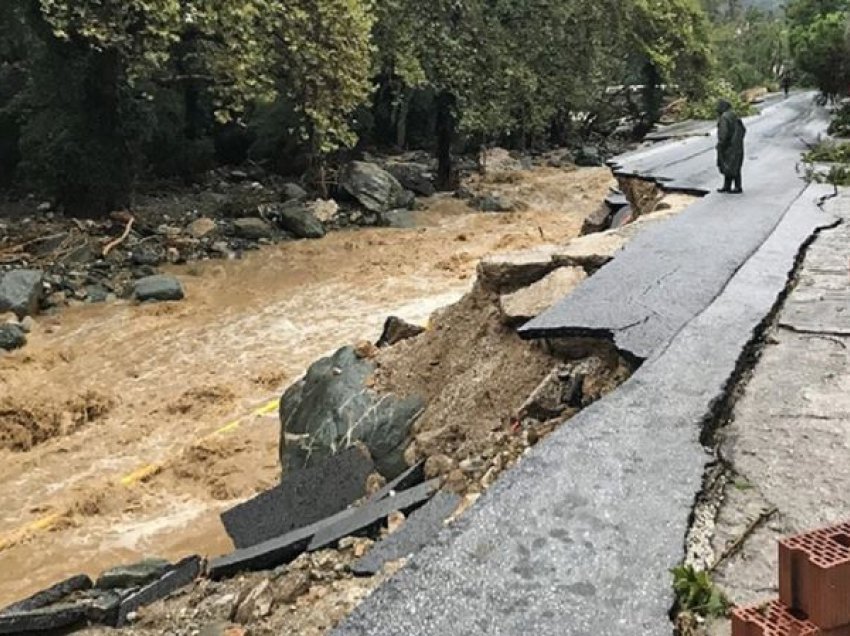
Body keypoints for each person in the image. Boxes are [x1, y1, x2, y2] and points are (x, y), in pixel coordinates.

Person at [716, 100, 746, 194]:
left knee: (727, 164)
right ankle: (728, 186)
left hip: (729, 145)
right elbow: (743, 129)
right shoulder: (735, 115)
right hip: (737, 145)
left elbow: (723, 133)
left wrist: (721, 144)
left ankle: (736, 187)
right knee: (734, 165)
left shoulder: (724, 117)